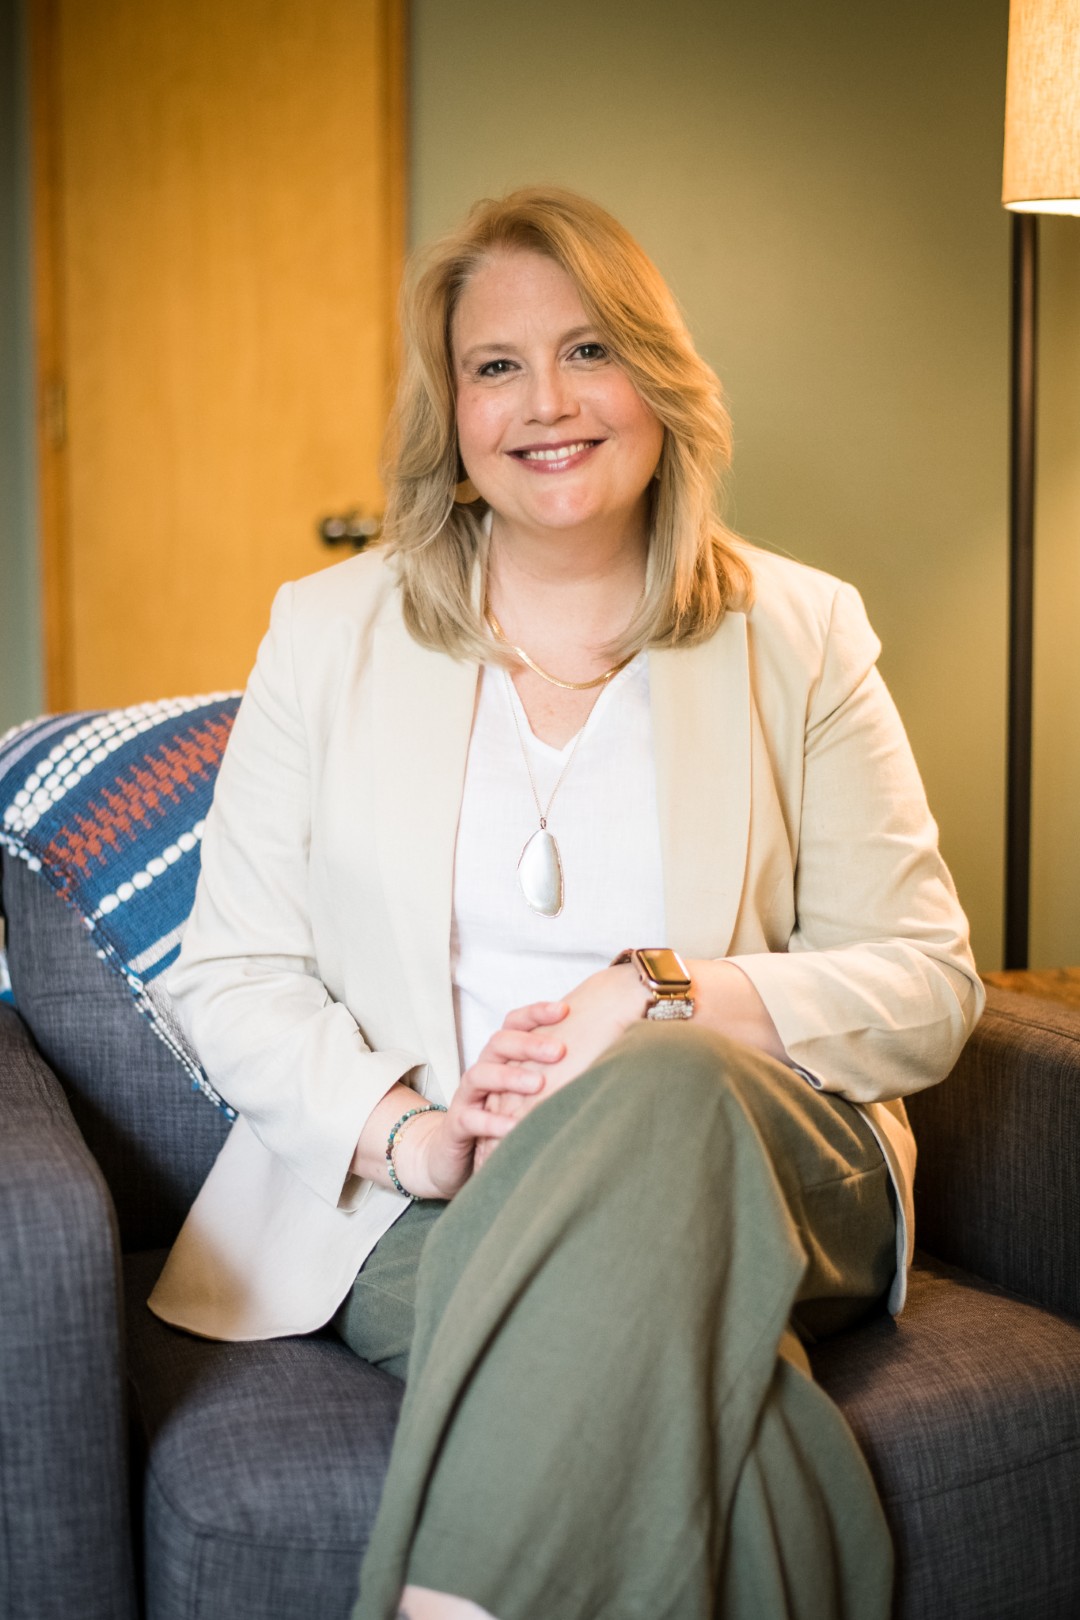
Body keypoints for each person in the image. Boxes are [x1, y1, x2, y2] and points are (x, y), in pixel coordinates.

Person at [149, 186, 984, 1620]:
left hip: (767, 1159)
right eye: (497, 365)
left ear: (659, 381)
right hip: (437, 1201)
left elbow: (928, 983)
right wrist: (415, 1137)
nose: (548, 402)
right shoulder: (328, 633)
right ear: (455, 414)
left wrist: (661, 994)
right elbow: (232, 974)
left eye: (590, 351)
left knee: (659, 1079)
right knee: (730, 1419)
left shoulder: (800, 632)